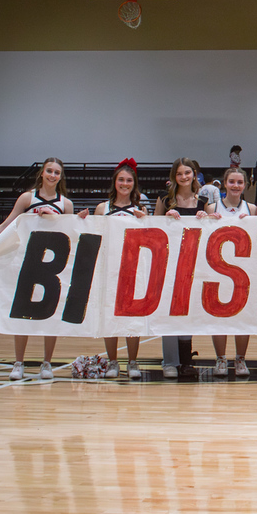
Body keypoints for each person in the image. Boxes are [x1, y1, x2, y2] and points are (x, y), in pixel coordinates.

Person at [0, 157, 76, 381]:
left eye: (57, 172)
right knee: (22, 313)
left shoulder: (65, 204)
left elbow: (71, 234)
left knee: (50, 315)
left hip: (53, 267)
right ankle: (19, 363)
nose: (53, 175)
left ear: (60, 176)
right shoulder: (28, 198)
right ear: (42, 173)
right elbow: (6, 224)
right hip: (26, 261)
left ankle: (47, 364)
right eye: (49, 171)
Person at [155, 158, 215, 379]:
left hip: (195, 264)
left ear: (194, 174)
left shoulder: (204, 200)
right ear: (174, 176)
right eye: (179, 174)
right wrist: (165, 219)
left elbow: (212, 231)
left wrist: (206, 218)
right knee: (169, 312)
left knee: (187, 312)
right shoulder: (164, 199)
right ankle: (170, 361)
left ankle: (187, 360)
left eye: (187, 173)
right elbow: (153, 230)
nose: (183, 177)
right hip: (169, 263)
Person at [91, 160, 146, 379]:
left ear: (134, 184)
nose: (125, 183)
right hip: (108, 269)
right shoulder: (101, 208)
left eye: (129, 180)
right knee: (109, 317)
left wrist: (146, 221)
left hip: (133, 269)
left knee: (133, 318)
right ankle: (113, 362)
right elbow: (93, 239)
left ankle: (133, 362)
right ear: (114, 182)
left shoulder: (140, 210)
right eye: (121, 180)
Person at [210, 167, 256, 378]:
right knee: (218, 316)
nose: (235, 186)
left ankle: (240, 358)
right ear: (224, 183)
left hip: (244, 269)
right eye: (232, 182)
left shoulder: (252, 208)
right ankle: (220, 358)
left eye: (239, 182)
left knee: (242, 317)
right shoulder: (212, 207)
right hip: (217, 267)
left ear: (244, 185)